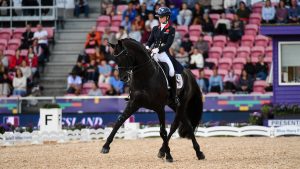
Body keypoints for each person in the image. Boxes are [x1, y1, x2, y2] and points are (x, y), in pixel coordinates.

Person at [146, 6, 180, 105]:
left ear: (167, 17)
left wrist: (159, 49)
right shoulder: (155, 28)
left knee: (172, 71)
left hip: (163, 53)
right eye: (159, 17)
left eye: (162, 17)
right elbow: (150, 41)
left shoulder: (171, 29)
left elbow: (168, 44)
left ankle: (174, 95)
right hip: (153, 53)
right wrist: (147, 47)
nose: (160, 18)